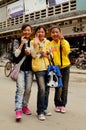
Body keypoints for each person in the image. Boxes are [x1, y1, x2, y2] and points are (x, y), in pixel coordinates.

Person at [44, 26, 71, 114]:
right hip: (56, 68)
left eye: (57, 32)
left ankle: (63, 105)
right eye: (53, 32)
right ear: (51, 34)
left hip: (65, 67)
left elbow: (67, 52)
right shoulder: (50, 44)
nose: (55, 34)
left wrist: (62, 41)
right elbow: (48, 55)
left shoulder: (64, 42)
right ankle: (57, 104)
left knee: (64, 87)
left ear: (60, 32)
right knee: (58, 87)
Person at [30, 26, 51, 121]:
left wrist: (46, 54)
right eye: (38, 32)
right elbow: (33, 55)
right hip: (38, 69)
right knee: (42, 89)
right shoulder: (32, 42)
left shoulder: (48, 42)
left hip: (48, 68)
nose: (40, 33)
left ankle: (44, 108)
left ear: (45, 33)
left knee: (47, 89)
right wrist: (35, 45)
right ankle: (40, 111)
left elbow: (51, 55)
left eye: (42, 32)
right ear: (36, 33)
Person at [14, 23, 33, 121]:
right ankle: (18, 109)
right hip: (20, 69)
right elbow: (16, 55)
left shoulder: (33, 42)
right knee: (20, 89)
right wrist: (21, 44)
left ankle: (24, 106)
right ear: (22, 31)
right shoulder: (16, 41)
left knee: (28, 89)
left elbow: (36, 55)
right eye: (25, 30)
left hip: (30, 70)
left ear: (31, 31)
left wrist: (31, 53)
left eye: (28, 30)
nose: (27, 32)